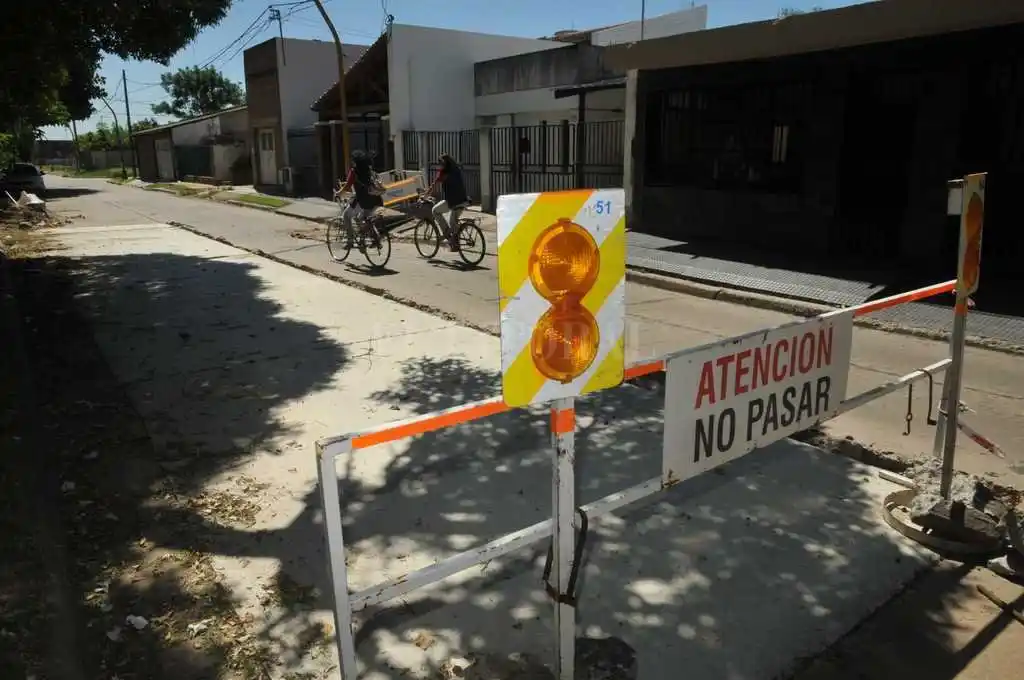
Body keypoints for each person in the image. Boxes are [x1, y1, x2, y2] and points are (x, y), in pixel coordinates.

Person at [424, 153, 469, 250]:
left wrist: (425, 196)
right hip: (463, 199)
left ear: (444, 163)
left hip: (453, 201)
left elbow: (434, 185)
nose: (439, 165)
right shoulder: (456, 169)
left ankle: (446, 233)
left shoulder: (444, 172)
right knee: (453, 222)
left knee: (435, 210)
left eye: (440, 163)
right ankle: (454, 243)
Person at [336, 150, 384, 234]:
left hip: (362, 201)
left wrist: (338, 193)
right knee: (362, 218)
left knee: (346, 215)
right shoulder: (369, 171)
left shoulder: (354, 172)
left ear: (355, 162)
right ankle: (373, 236)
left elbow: (347, 186)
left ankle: (350, 238)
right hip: (376, 199)